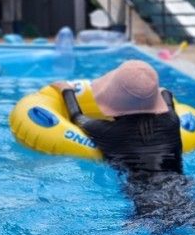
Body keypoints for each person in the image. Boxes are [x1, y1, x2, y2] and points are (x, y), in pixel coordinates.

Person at [53, 60, 182, 175]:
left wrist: (66, 89)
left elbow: (77, 116)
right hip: (183, 187)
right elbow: (166, 93)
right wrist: (148, 90)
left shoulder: (105, 130)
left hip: (144, 197)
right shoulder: (171, 121)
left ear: (114, 99)